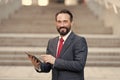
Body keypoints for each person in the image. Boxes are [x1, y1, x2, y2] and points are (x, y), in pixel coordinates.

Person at [29, 9, 88, 80]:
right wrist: (38, 65)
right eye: (59, 22)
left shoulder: (79, 41)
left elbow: (79, 65)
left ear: (71, 23)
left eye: (65, 21)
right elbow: (48, 66)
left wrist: (55, 61)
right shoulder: (52, 42)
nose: (62, 25)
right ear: (56, 23)